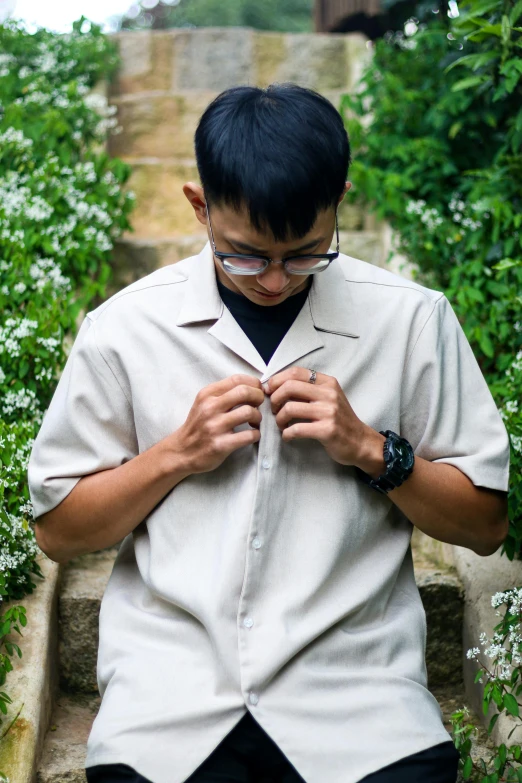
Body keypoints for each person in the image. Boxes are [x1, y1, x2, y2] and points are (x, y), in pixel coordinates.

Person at [28, 83, 510, 783]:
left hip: (361, 701)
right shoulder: (126, 329)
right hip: (171, 702)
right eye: (245, 255)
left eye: (308, 253)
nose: (277, 281)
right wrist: (174, 455)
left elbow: (486, 524)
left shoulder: (412, 320)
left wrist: (373, 450)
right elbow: (59, 532)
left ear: (339, 198)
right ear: (200, 207)